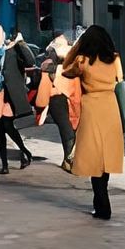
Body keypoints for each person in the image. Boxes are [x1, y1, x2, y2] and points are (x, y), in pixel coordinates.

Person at [62, 25, 125, 220]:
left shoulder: (82, 60)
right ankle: (101, 203)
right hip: (111, 107)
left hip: (91, 107)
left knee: (93, 157)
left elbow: (65, 69)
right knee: (106, 156)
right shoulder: (115, 59)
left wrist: (76, 47)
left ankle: (102, 205)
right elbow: (120, 81)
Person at [0, 23, 35, 174]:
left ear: (3, 35)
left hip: (9, 95)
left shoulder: (13, 51)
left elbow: (30, 61)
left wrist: (21, 43)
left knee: (8, 126)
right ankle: (5, 165)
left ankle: (25, 152)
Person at [35, 33, 81, 169]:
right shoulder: (51, 66)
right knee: (67, 130)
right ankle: (70, 160)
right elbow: (41, 99)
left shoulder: (72, 65)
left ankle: (70, 159)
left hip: (70, 100)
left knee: (70, 130)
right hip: (58, 100)